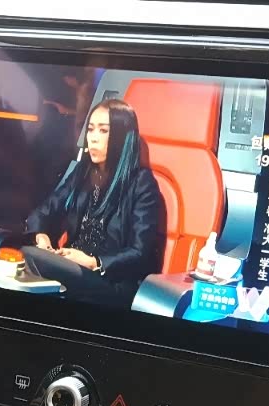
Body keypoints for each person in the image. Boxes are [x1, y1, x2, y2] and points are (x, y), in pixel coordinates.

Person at [23, 98, 166, 307]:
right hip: (71, 266)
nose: (93, 138)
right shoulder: (83, 172)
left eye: (103, 130)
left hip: (111, 281)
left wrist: (93, 262)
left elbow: (139, 252)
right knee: (23, 251)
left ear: (122, 137)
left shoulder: (141, 184)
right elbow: (43, 212)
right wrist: (41, 237)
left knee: (30, 257)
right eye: (90, 129)